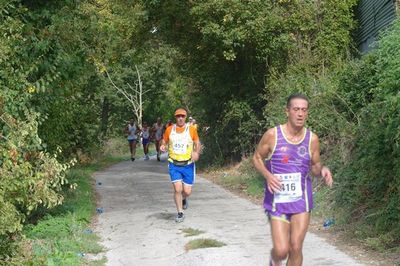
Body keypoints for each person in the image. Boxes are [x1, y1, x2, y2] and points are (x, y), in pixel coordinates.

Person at [252, 93, 333, 266]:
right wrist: (268, 175)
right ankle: (274, 260)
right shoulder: (272, 135)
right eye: (296, 109)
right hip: (277, 201)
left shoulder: (312, 139)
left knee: (296, 247)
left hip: (301, 200)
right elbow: (257, 158)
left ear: (307, 113)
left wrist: (323, 171)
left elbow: (315, 167)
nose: (300, 114)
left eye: (304, 110)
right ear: (287, 111)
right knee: (282, 251)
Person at [160, 107, 201, 223]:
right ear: (175, 118)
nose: (180, 118)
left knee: (187, 191)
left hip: (188, 164)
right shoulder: (169, 129)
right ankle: (180, 213)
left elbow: (197, 142)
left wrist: (196, 152)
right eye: (178, 116)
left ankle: (184, 198)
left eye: (182, 116)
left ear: (185, 117)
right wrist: (163, 146)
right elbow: (164, 141)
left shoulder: (191, 129)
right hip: (174, 164)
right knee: (177, 188)